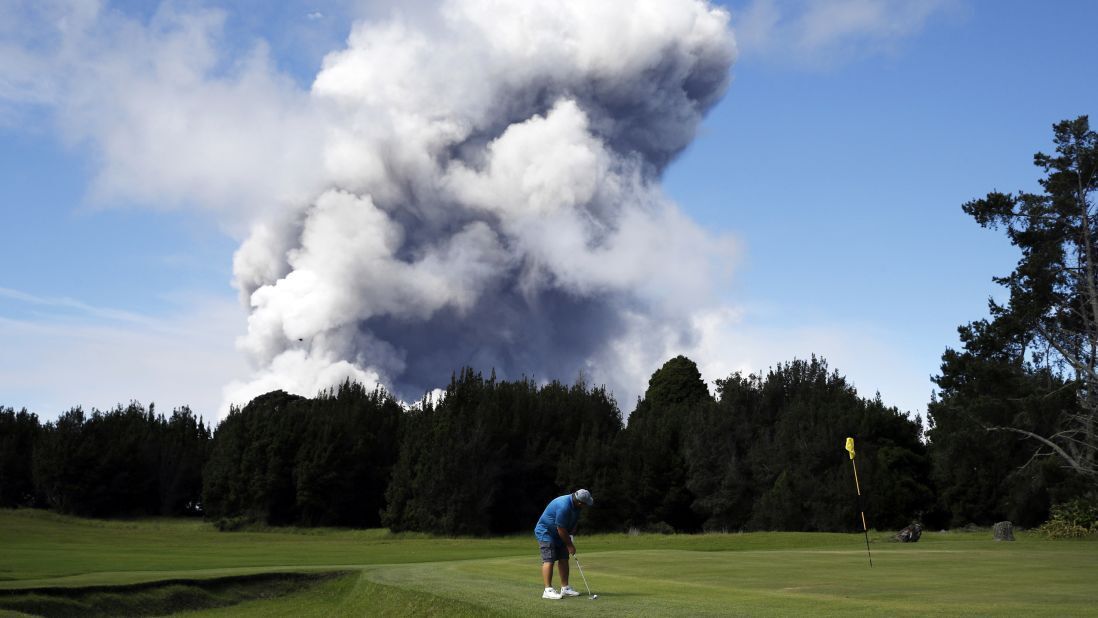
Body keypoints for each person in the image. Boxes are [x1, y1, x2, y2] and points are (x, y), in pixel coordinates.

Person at [534, 488, 594, 599]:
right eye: (585, 504)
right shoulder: (564, 506)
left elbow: (573, 523)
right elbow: (560, 528)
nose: (586, 506)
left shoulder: (577, 506)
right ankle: (547, 590)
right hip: (545, 531)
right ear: (580, 502)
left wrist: (570, 536)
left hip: (560, 532)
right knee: (549, 559)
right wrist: (570, 545)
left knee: (563, 558)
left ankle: (565, 588)